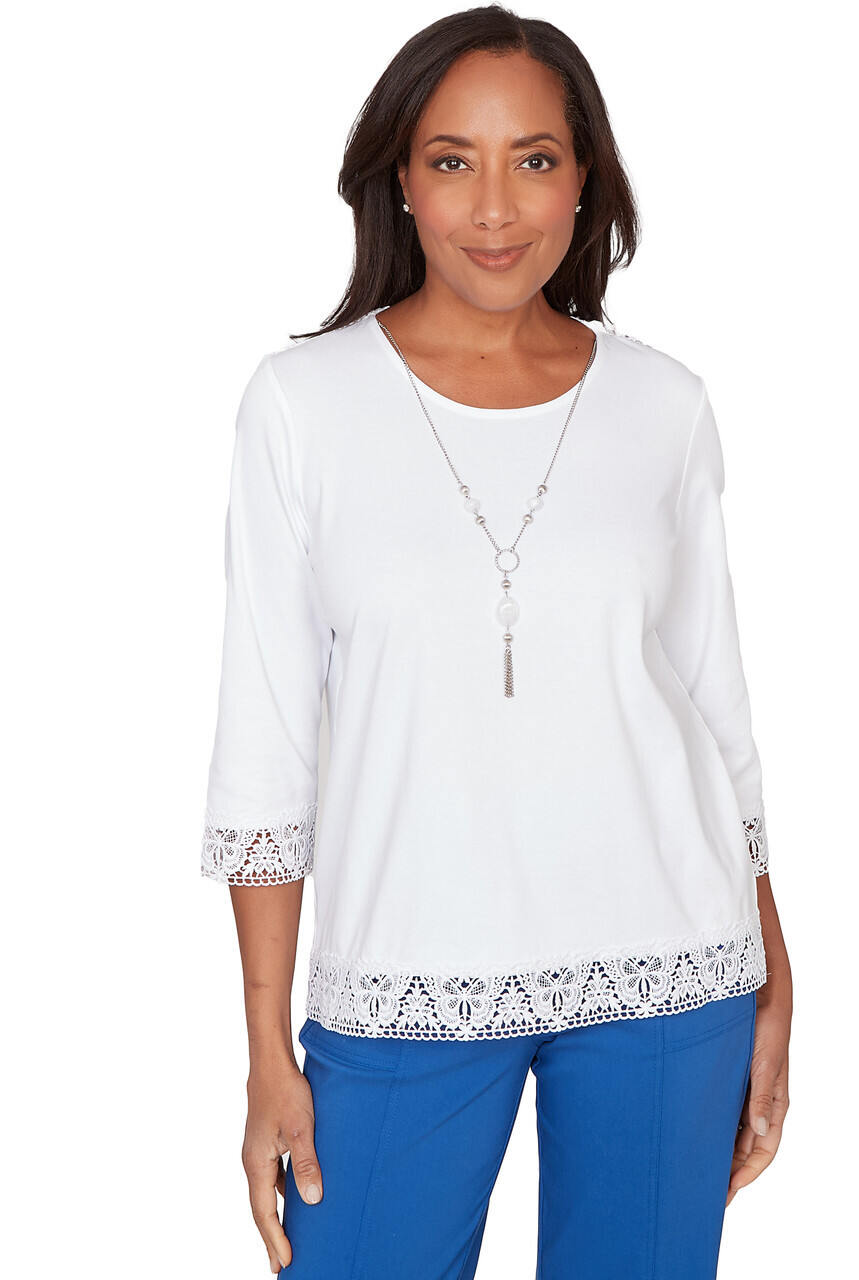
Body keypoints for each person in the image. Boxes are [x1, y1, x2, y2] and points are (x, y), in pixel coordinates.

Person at [200, 6, 793, 1277]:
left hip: (672, 970)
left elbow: (714, 706)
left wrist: (772, 965)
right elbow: (265, 744)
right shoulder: (299, 405)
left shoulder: (664, 404)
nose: (492, 206)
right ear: (399, 183)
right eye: (450, 160)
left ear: (582, 180)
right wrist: (264, 1050)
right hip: (403, 974)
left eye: (531, 159)